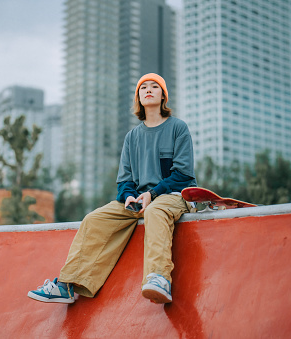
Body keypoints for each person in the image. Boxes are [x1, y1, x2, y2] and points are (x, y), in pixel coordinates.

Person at [28, 73, 197, 304]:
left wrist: (153, 194)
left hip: (172, 195)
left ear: (163, 95)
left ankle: (159, 277)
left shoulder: (178, 128)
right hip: (140, 199)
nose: (148, 90)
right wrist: (128, 196)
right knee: (94, 219)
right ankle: (66, 285)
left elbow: (183, 174)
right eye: (143, 87)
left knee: (155, 212)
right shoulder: (132, 137)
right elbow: (124, 180)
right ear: (138, 97)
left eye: (154, 87)